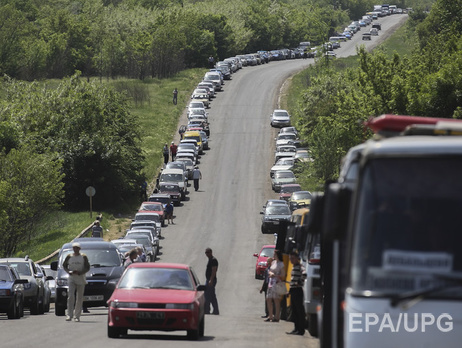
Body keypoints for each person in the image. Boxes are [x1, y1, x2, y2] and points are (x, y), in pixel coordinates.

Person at [63, 242, 90, 322]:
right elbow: (64, 265)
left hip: (80, 278)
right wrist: (69, 271)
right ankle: (69, 314)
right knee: (70, 296)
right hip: (71, 278)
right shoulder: (69, 256)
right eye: (74, 248)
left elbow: (87, 267)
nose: (76, 249)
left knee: (79, 297)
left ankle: (77, 316)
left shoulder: (83, 257)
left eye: (77, 248)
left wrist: (80, 272)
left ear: (79, 249)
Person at [287, 251, 307, 335]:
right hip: (293, 290)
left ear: (297, 259)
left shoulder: (300, 266)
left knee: (299, 311)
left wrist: (299, 282)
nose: (291, 260)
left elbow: (305, 274)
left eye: (293, 258)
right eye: (290, 259)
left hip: (298, 290)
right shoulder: (293, 267)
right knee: (294, 311)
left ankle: (301, 329)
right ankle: (296, 328)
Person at [264, 249, 285, 322]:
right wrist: (270, 274)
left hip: (276, 282)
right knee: (268, 299)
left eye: (274, 254)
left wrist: (275, 275)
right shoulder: (273, 262)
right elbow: (270, 270)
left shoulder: (281, 264)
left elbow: (283, 274)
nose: (273, 255)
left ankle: (277, 316)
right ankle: (270, 316)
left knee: (276, 300)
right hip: (271, 282)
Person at [204, 247, 219, 315]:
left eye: (208, 252)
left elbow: (214, 270)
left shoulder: (213, 260)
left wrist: (211, 280)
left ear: (211, 252)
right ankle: (214, 310)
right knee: (211, 295)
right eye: (206, 252)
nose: (207, 254)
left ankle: (208, 310)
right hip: (209, 280)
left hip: (211, 280)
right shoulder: (210, 260)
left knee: (207, 295)